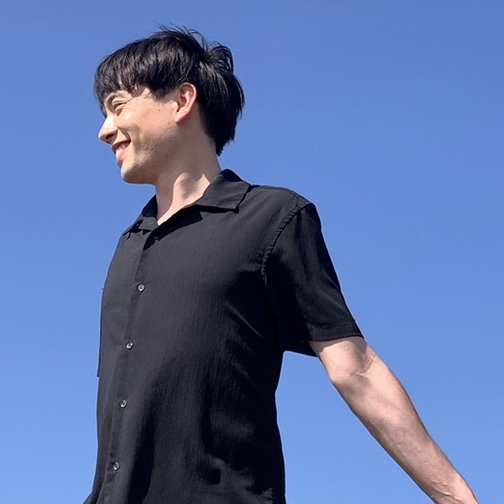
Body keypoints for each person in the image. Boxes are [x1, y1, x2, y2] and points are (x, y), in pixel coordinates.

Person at [85, 26, 479, 504]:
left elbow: (355, 368)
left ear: (182, 100)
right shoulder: (129, 244)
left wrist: (456, 497)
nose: (105, 130)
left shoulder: (272, 218)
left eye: (118, 106)